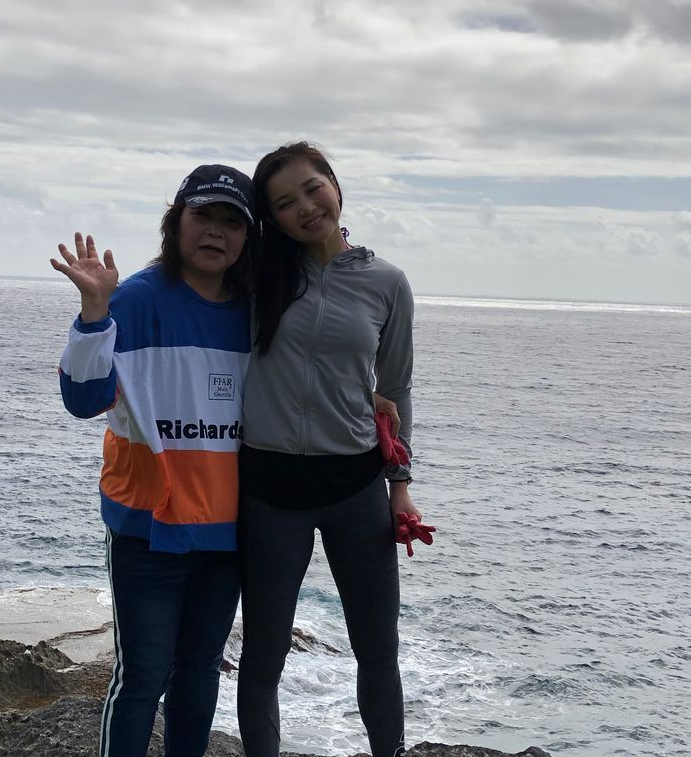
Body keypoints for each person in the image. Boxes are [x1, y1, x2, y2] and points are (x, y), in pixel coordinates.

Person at [53, 165, 257, 757]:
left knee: (200, 670)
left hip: (226, 532)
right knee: (142, 677)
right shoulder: (137, 299)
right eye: (203, 216)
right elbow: (82, 399)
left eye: (231, 222)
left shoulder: (256, 312)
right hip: (148, 527)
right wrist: (95, 313)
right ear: (176, 223)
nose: (215, 231)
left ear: (247, 238)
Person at [236, 142, 422, 757]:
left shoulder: (387, 282)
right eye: (285, 203)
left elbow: (396, 390)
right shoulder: (258, 274)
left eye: (313, 188)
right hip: (270, 492)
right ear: (272, 218)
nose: (305, 207)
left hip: (355, 489)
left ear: (336, 187)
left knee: (377, 648)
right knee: (263, 654)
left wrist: (400, 487)